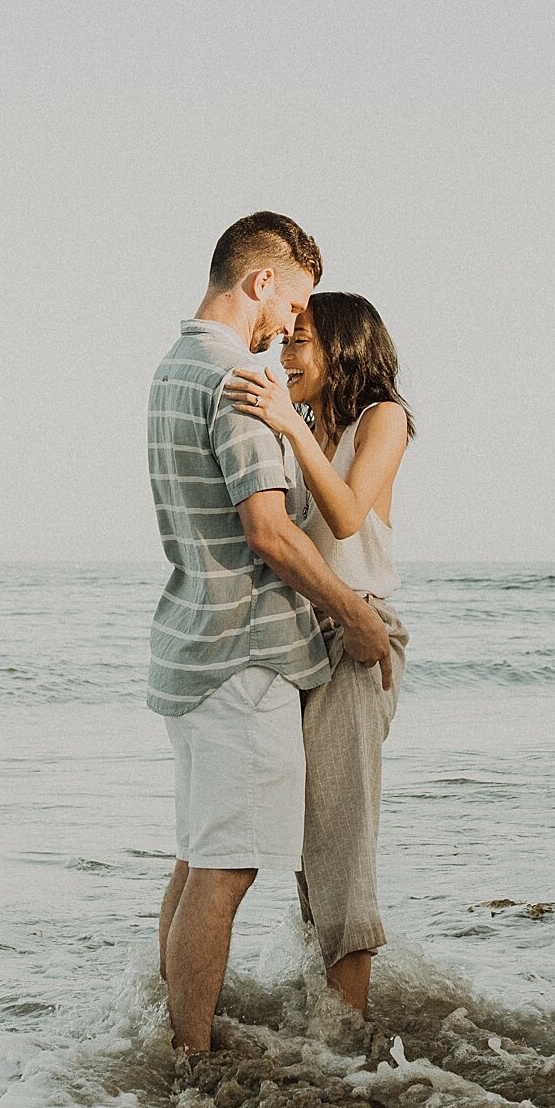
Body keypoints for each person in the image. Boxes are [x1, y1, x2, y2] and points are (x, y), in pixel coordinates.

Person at [148, 213, 393, 1056]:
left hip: (193, 651)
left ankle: (177, 1039)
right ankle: (192, 1060)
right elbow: (271, 533)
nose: (290, 327)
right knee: (227, 868)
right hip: (245, 655)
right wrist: (356, 616)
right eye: (292, 302)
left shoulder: (172, 369)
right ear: (260, 283)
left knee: (198, 857)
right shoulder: (238, 382)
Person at [223, 291, 413, 1019]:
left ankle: (351, 1047)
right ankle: (331, 1033)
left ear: (343, 347)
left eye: (299, 340)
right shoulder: (298, 426)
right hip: (305, 640)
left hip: (361, 636)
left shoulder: (383, 418)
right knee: (307, 845)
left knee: (340, 838)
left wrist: (288, 429)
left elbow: (345, 512)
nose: (284, 354)